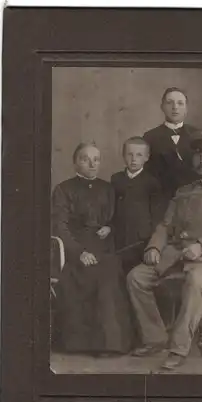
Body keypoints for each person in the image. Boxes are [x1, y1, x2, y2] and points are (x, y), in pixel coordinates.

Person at [127, 133, 202, 370]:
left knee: (194, 281)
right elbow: (165, 225)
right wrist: (154, 247)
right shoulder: (183, 191)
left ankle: (178, 348)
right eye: (199, 155)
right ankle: (155, 339)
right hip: (177, 253)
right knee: (136, 277)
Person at [52, 142, 133, 355]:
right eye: (85, 159)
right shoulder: (63, 189)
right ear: (75, 162)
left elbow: (116, 218)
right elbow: (59, 227)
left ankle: (111, 344)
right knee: (85, 276)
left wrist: (109, 227)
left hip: (104, 246)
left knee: (110, 273)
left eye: (96, 159)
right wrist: (79, 252)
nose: (91, 164)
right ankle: (82, 344)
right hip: (74, 248)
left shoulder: (107, 188)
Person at [111, 137, 162, 274]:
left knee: (135, 273)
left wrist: (150, 239)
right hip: (119, 237)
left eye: (139, 155)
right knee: (116, 272)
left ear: (146, 157)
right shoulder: (116, 179)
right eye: (130, 154)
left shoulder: (152, 183)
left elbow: (156, 216)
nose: (134, 159)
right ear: (123, 156)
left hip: (141, 240)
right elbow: (111, 208)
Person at [143, 87, 200, 209]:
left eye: (180, 103)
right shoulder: (150, 137)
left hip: (193, 202)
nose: (175, 107)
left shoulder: (197, 135)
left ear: (186, 109)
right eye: (170, 103)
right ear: (162, 107)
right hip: (161, 202)